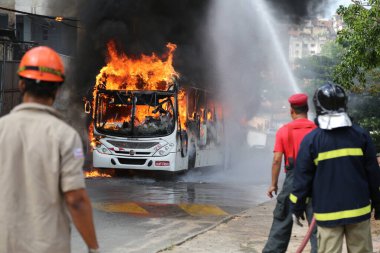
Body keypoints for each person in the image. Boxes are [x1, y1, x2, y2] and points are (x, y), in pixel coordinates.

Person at [0, 46, 99, 253]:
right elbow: (76, 200)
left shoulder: (2, 129)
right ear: (57, 89)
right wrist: (93, 248)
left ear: (20, 84)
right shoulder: (66, 137)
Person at [290, 83, 380, 253]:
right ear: (344, 103)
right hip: (358, 210)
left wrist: (297, 207)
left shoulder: (311, 141)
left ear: (317, 107)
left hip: (327, 212)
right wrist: (378, 202)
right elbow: (374, 175)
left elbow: (302, 180)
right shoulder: (360, 136)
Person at [263, 93, 317, 253]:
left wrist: (273, 184)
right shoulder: (316, 130)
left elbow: (277, 159)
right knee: (318, 227)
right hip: (315, 182)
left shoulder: (284, 131)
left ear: (291, 111)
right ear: (307, 109)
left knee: (281, 224)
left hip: (292, 182)